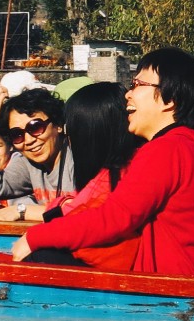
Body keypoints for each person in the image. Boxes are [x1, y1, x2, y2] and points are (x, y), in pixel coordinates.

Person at [11, 48, 194, 275]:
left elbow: (113, 218)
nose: (128, 95)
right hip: (186, 281)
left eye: (137, 84)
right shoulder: (187, 146)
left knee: (42, 259)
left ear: (169, 99)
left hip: (174, 290)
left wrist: (36, 236)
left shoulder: (168, 149)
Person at [23, 81, 144, 270]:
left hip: (118, 274)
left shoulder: (113, 179)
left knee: (41, 257)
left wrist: (38, 235)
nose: (68, 141)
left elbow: (85, 216)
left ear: (89, 137)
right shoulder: (127, 168)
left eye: (71, 134)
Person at [0, 81, 75, 216]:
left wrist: (21, 210)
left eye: (36, 127)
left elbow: (87, 213)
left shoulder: (79, 158)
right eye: (17, 134)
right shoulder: (28, 164)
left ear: (58, 125)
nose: (29, 140)